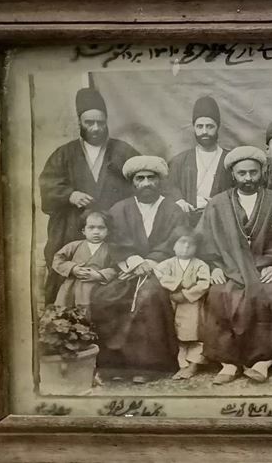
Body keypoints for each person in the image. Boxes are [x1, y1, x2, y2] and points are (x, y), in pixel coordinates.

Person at [196, 146, 272, 384]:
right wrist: (214, 266)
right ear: (233, 174)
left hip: (265, 268)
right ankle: (228, 362)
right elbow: (206, 239)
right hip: (229, 268)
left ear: (262, 172)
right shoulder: (217, 203)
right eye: (242, 173)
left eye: (253, 172)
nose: (248, 178)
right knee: (219, 293)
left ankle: (265, 361)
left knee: (271, 294)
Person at [90, 156, 188, 381]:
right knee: (105, 296)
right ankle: (115, 365)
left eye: (151, 178)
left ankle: (148, 366)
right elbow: (114, 239)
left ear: (159, 181)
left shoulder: (173, 210)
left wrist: (151, 262)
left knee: (149, 296)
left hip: (161, 269)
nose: (146, 183)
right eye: (140, 178)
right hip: (128, 268)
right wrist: (135, 261)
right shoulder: (119, 209)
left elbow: (177, 240)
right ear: (133, 182)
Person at [39, 87, 140, 304]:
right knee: (65, 274)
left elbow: (142, 180)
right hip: (72, 226)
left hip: (113, 227)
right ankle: (64, 319)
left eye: (100, 123)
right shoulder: (64, 153)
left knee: (114, 276)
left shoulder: (123, 151)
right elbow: (47, 185)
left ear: (106, 122)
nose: (95, 128)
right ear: (80, 122)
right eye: (89, 122)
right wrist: (69, 194)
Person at [166, 96, 233, 225]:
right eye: (200, 126)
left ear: (218, 127)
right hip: (187, 222)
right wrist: (179, 201)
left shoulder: (230, 159)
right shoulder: (179, 161)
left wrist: (219, 203)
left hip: (220, 223)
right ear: (194, 128)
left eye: (210, 126)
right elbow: (169, 187)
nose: (204, 131)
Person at [155, 230, 210, 380]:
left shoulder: (200, 265)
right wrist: (177, 284)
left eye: (191, 244)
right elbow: (158, 273)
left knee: (193, 334)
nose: (186, 247)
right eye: (181, 242)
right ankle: (182, 364)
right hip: (174, 303)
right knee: (177, 335)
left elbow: (204, 284)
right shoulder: (167, 264)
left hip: (192, 305)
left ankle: (193, 364)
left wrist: (186, 294)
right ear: (173, 245)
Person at [52, 210, 117, 314]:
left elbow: (116, 268)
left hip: (97, 289)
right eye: (91, 227)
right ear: (83, 231)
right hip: (72, 288)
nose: (96, 232)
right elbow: (58, 259)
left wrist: (100, 275)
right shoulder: (74, 245)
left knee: (91, 315)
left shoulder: (110, 249)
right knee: (66, 315)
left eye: (101, 228)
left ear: (108, 231)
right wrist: (73, 269)